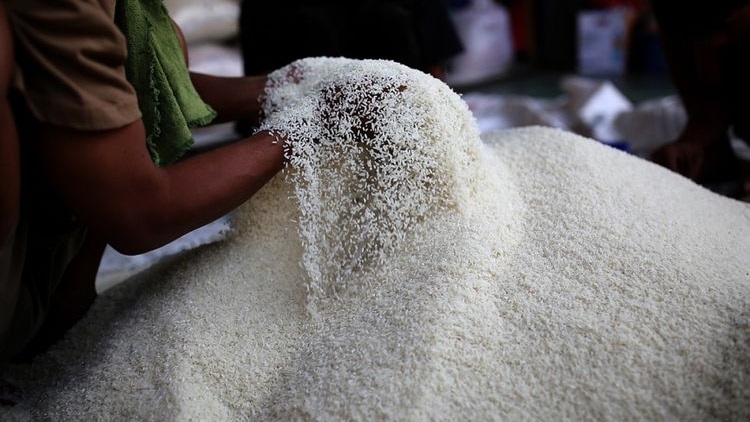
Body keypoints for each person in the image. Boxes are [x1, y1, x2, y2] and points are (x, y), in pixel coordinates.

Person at [0, 0, 302, 362]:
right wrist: (303, 127)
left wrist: (280, 87)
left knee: (157, 37)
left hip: (47, 281)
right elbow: (140, 211)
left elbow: (121, 94)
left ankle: (66, 305)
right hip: (12, 298)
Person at [648, 1, 750, 197]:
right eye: (700, 37)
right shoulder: (680, 26)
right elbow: (713, 104)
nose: (713, 44)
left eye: (726, 27)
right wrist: (691, 142)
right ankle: (717, 158)